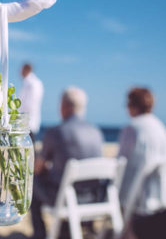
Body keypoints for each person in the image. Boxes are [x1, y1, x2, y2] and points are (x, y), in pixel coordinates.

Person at [30, 86, 103, 239]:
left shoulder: (56, 132)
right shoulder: (96, 132)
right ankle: (84, 227)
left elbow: (38, 168)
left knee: (31, 181)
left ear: (63, 106)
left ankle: (40, 235)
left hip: (65, 199)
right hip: (93, 197)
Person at [118, 87, 166, 216]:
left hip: (139, 197)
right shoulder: (160, 126)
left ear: (132, 105)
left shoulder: (132, 127)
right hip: (163, 194)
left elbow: (122, 164)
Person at [18, 63, 44, 140]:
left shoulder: (30, 83)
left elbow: (28, 104)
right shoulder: (37, 82)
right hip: (31, 121)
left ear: (26, 70)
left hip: (27, 121)